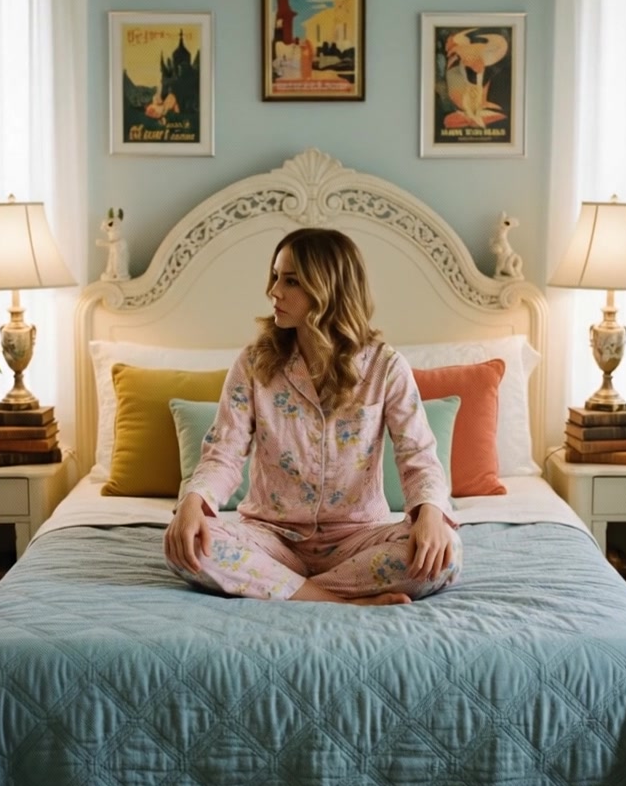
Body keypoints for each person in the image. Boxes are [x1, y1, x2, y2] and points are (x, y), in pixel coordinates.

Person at [163, 228, 462, 606]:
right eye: (275, 276)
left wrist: (430, 514)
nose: (273, 291)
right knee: (188, 545)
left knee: (445, 554)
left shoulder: (385, 367)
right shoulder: (254, 363)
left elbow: (417, 454)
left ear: (329, 289)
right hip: (271, 538)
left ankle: (283, 589)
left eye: (290, 281)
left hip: (357, 540)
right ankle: (339, 601)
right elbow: (224, 450)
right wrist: (192, 503)